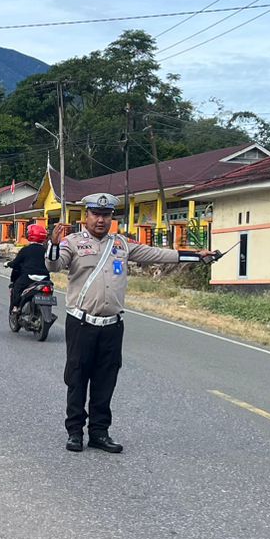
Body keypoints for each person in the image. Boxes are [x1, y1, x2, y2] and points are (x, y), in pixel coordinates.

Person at [48, 192, 217, 454]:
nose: (101, 220)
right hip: (81, 324)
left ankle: (99, 433)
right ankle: (75, 432)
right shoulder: (72, 242)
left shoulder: (122, 244)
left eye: (106, 215)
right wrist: (53, 244)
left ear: (111, 218)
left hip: (112, 326)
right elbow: (54, 266)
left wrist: (196, 256)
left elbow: (157, 253)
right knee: (77, 377)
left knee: (106, 379)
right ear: (86, 216)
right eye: (96, 214)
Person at [7, 221, 54, 312]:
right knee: (49, 291)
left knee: (16, 288)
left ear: (29, 235)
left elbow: (15, 263)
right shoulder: (46, 250)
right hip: (45, 278)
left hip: (28, 278)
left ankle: (15, 307)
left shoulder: (25, 250)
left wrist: (8, 264)